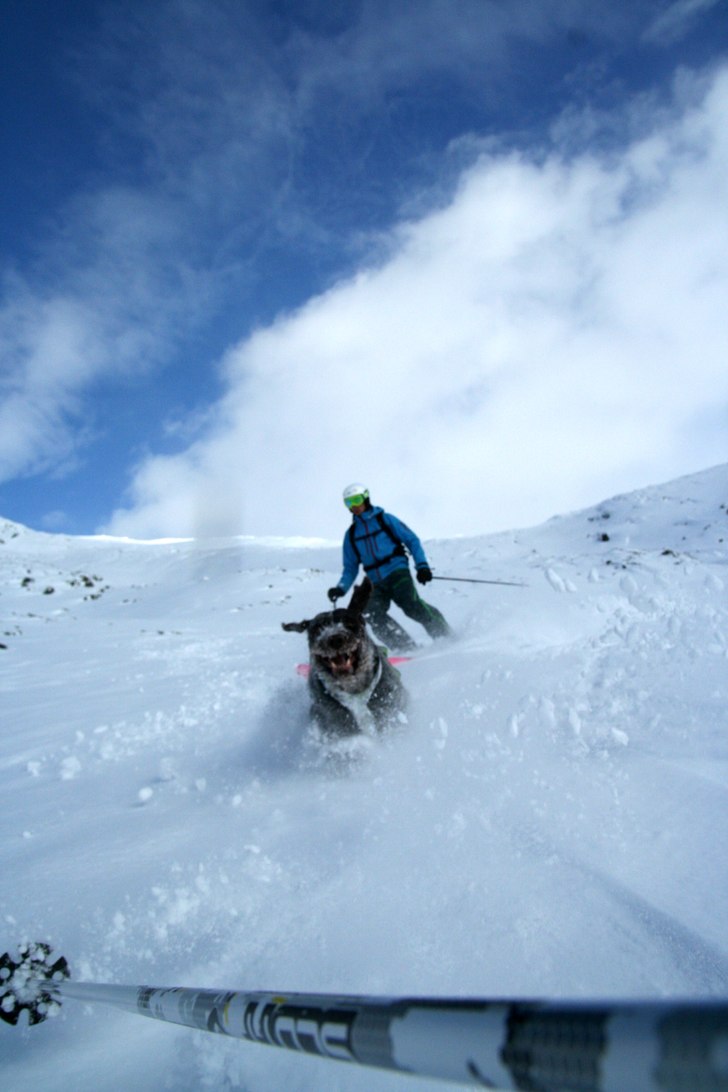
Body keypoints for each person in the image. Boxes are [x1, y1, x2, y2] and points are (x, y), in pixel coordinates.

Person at [327, 483, 452, 651]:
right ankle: (406, 648)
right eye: (349, 503)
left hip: (396, 571)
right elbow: (350, 568)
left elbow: (412, 540)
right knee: (371, 614)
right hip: (374, 581)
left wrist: (422, 566)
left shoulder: (385, 520)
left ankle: (445, 635)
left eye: (356, 500)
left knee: (411, 605)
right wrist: (340, 589)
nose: (354, 506)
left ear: (366, 498)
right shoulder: (351, 535)